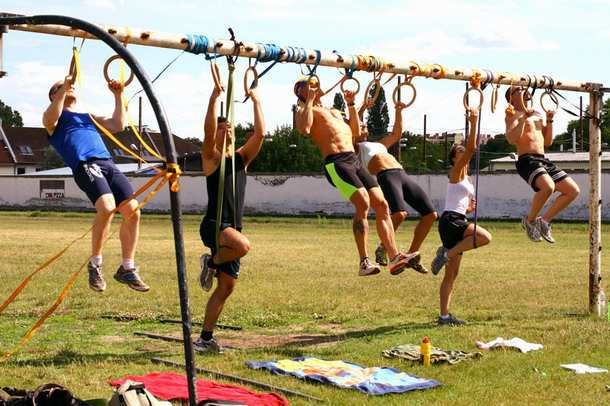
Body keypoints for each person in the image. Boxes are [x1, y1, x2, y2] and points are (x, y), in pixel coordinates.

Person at [293, 77, 419, 276]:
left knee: (382, 204)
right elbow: (305, 129)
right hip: (336, 162)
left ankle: (394, 257)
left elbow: (356, 132)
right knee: (363, 203)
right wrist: (308, 101)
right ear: (301, 92)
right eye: (309, 87)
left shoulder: (334, 111)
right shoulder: (304, 111)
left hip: (353, 159)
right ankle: (364, 262)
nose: (314, 88)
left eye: (315, 85)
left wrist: (351, 104)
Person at [42, 75, 148, 293]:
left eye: (69, 88)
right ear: (54, 96)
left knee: (133, 212)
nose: (67, 89)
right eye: (59, 88)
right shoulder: (54, 118)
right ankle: (95, 264)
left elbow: (118, 124)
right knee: (107, 208)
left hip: (108, 163)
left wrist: (118, 95)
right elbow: (50, 117)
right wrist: (64, 86)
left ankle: (127, 268)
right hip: (85, 165)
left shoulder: (87, 116)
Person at [195, 80, 265, 353]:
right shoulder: (212, 159)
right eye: (224, 129)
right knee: (244, 246)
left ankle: (206, 338)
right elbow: (208, 130)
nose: (228, 132)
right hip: (215, 225)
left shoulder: (241, 159)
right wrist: (214, 97)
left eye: (231, 129)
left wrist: (256, 100)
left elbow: (259, 134)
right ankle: (211, 261)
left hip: (232, 228)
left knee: (226, 288)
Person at [354, 100, 438, 273]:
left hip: (402, 174)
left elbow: (396, 134)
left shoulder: (379, 144)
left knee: (431, 215)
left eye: (364, 125)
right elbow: (352, 127)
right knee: (399, 214)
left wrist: (398, 110)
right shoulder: (354, 147)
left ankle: (412, 254)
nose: (364, 127)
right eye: (361, 125)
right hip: (385, 175)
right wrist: (360, 109)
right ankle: (383, 247)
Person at [430, 108, 492, 326]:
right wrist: (474, 121)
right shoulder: (456, 171)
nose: (463, 151)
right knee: (485, 237)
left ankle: (444, 316)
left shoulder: (466, 179)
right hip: (451, 221)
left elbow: (458, 203)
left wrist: (467, 208)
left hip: (455, 219)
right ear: (454, 158)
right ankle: (446, 253)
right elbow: (473, 147)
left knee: (452, 275)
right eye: (459, 150)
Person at [505, 87, 580, 243]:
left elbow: (548, 142)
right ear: (511, 98)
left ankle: (544, 221)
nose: (522, 90)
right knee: (548, 187)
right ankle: (529, 220)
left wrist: (550, 119)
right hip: (527, 159)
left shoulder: (537, 114)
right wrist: (523, 119)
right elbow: (512, 138)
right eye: (517, 90)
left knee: (572, 191)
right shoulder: (512, 114)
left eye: (522, 88)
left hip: (543, 159)